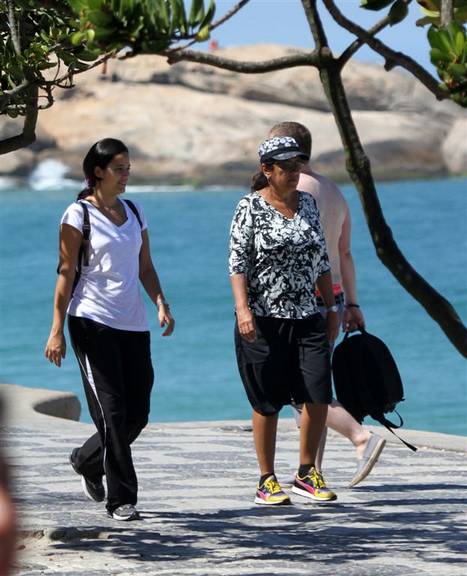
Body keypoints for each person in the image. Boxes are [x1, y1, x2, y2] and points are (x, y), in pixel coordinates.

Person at [44, 138, 174, 521]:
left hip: (133, 323)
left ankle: (86, 460)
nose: (125, 176)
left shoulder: (134, 211)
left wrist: (160, 302)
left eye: (128, 168)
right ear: (97, 172)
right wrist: (56, 330)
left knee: (138, 413)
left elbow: (145, 267)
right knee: (113, 413)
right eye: (119, 169)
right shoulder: (76, 215)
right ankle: (122, 499)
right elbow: (66, 272)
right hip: (90, 321)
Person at [269, 122, 386, 488]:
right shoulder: (335, 191)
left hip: (300, 296)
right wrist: (351, 302)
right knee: (313, 381)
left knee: (300, 388)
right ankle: (311, 469)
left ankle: (359, 436)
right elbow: (345, 252)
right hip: (332, 295)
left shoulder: (292, 191)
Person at [229, 136, 340, 505]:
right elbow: (237, 264)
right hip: (263, 317)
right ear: (267, 170)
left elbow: (322, 260)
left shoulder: (307, 203)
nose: (294, 173)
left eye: (298, 166)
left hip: (307, 313)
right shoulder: (249, 208)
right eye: (286, 167)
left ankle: (307, 473)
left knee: (318, 391)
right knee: (267, 400)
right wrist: (243, 310)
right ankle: (266, 479)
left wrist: (333, 306)